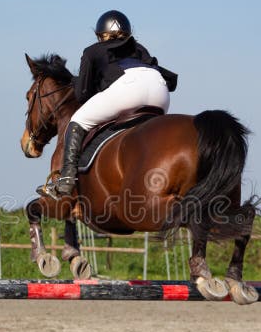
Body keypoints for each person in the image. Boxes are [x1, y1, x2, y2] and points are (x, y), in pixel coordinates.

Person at [39, 10, 178, 198]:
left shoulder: (92, 51)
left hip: (129, 88)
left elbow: (81, 95)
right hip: (160, 90)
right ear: (128, 33)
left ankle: (66, 181)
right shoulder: (139, 48)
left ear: (99, 35)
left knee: (77, 121)